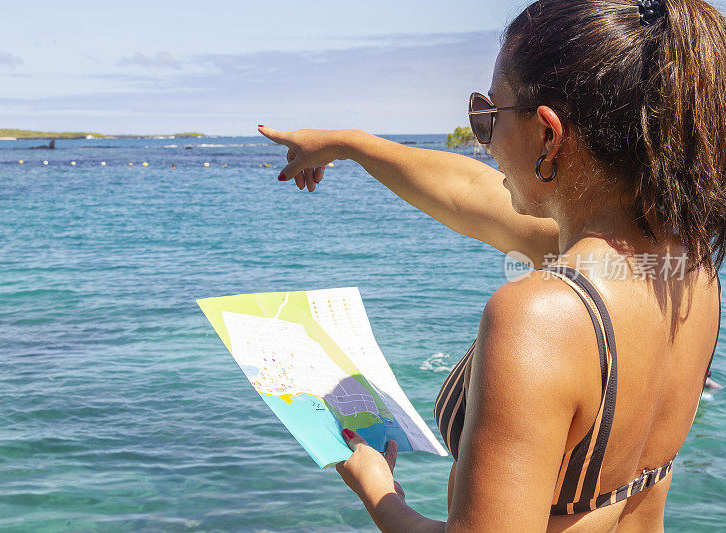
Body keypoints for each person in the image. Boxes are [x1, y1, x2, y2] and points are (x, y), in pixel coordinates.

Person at [258, 0, 726, 529]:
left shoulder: (541, 316)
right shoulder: (688, 269)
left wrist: (377, 490)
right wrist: (351, 144)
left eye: (488, 115)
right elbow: (471, 198)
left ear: (549, 134)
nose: (485, 140)